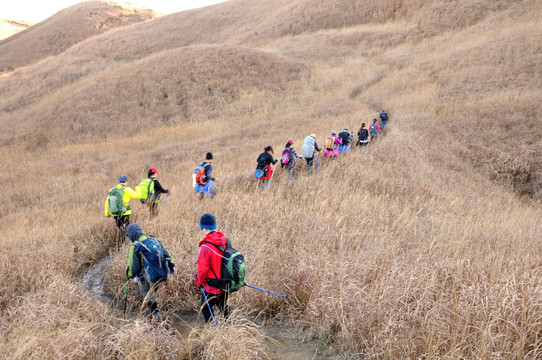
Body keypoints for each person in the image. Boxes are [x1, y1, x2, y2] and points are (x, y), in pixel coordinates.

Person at [126, 223, 176, 323]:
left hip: (147, 277)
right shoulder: (154, 240)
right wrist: (172, 266)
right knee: (152, 291)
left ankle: (156, 316)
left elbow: (134, 268)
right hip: (161, 274)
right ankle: (151, 311)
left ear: (131, 234)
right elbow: (167, 255)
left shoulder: (135, 246)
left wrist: (129, 274)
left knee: (146, 292)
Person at [196, 213, 231, 323]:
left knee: (205, 307)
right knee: (223, 307)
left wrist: (199, 282)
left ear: (205, 228)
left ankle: (212, 330)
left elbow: (202, 269)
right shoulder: (226, 241)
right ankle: (229, 328)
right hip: (225, 284)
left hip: (211, 286)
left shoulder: (206, 246)